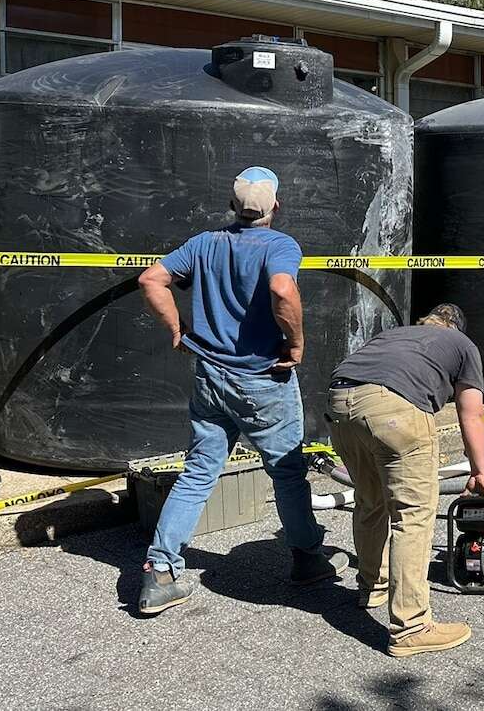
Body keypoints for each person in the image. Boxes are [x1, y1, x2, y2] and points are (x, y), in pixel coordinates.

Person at [134, 166, 343, 615]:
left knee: (198, 472)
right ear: (276, 207)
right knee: (286, 472)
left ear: (232, 205)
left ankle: (160, 571)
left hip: (210, 377)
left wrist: (177, 327)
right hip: (262, 380)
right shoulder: (280, 245)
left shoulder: (204, 244)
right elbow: (282, 289)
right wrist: (297, 343)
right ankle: (307, 559)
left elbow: (151, 279)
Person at [326, 303, 484, 658]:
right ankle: (412, 627)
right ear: (457, 328)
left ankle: (372, 586)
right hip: (393, 408)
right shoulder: (463, 346)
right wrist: (479, 470)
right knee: (412, 516)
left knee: (370, 502)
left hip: (339, 404)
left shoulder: (394, 334)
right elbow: (472, 414)